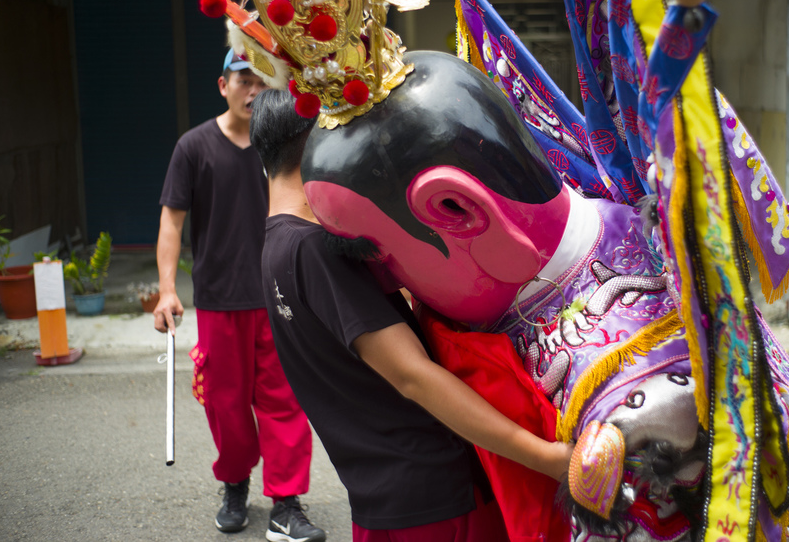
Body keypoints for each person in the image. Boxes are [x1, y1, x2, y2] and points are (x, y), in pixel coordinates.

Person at [250, 88, 572, 542]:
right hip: (435, 496)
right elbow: (412, 376)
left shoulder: (275, 245)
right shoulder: (314, 247)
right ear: (315, 139)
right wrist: (546, 458)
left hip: (382, 498)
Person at [154, 49, 325, 542]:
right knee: (225, 405)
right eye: (243, 79)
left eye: (263, 81)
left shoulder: (283, 147)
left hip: (279, 296)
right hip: (219, 299)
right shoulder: (194, 147)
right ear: (222, 85)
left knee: (284, 400)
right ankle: (234, 483)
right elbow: (172, 221)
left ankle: (286, 503)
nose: (253, 89)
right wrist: (167, 290)